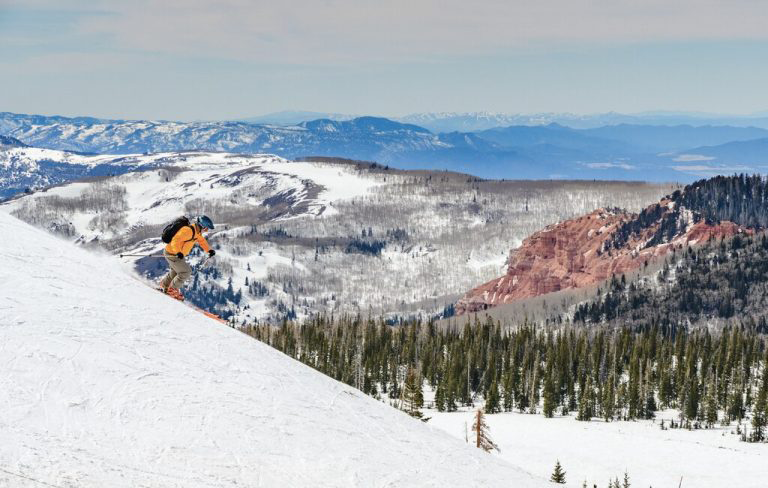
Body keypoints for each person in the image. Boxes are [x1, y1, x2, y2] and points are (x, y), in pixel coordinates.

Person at [159, 215, 216, 300]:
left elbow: (202, 241)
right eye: (207, 228)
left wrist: (209, 250)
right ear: (202, 226)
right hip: (172, 253)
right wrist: (178, 251)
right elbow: (175, 240)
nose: (207, 230)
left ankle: (164, 285)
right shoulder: (188, 231)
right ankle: (172, 290)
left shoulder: (197, 232)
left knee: (175, 271)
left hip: (176, 254)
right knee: (186, 271)